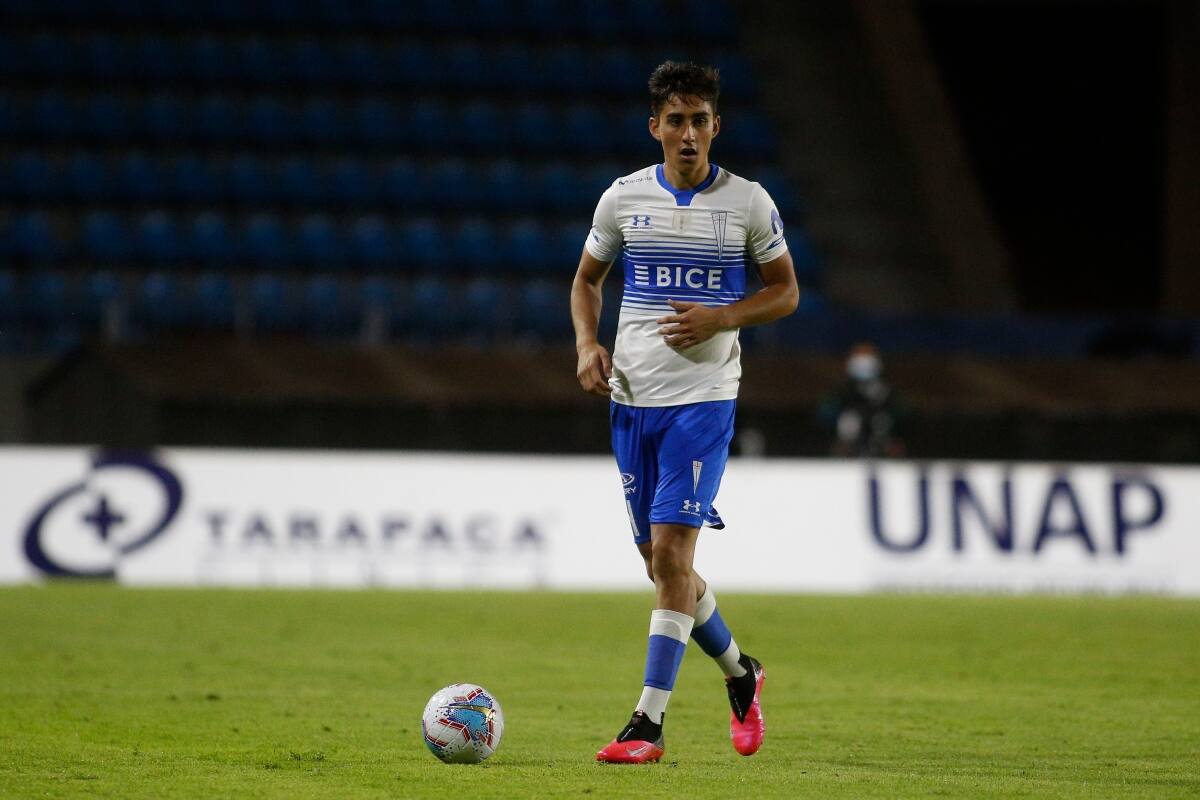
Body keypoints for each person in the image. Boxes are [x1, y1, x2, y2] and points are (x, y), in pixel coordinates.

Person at [570, 60, 800, 764]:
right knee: (660, 566)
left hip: (704, 401)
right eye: (677, 121)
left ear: (716, 126)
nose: (690, 133)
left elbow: (785, 292)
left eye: (701, 120)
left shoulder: (749, 204)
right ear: (657, 128)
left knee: (674, 554)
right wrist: (586, 345)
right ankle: (742, 672)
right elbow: (586, 281)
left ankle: (647, 723)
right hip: (632, 400)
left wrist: (722, 317)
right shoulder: (623, 198)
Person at [819, 342, 907, 458]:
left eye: (868, 360)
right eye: (859, 360)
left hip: (881, 442)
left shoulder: (888, 391)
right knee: (849, 422)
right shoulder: (841, 392)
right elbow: (825, 414)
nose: (863, 365)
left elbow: (904, 415)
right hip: (848, 445)